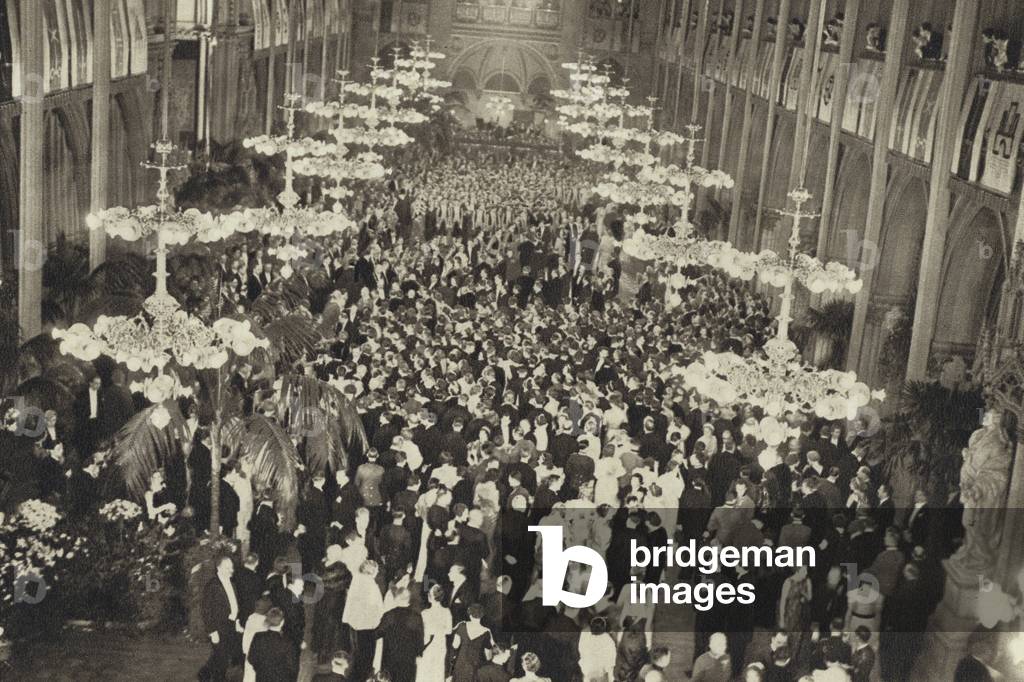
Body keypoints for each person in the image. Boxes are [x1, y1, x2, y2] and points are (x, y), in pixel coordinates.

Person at [199, 555, 241, 682]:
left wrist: (237, 621)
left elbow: (234, 603)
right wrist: (212, 632)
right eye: (227, 567)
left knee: (221, 654)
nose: (231, 570)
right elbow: (206, 611)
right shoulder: (212, 586)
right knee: (222, 659)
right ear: (218, 568)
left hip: (231, 624)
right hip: (218, 627)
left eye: (231, 567)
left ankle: (204, 674)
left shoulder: (232, 583)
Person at [343, 559, 385, 680]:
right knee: (366, 657)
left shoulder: (357, 579)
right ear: (372, 571)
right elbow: (378, 608)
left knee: (356, 653)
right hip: (367, 626)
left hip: (354, 623)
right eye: (376, 570)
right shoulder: (372, 586)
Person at [374, 585, 424, 682]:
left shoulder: (389, 615)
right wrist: (419, 653)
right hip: (408, 660)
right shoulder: (416, 617)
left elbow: (377, 633)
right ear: (409, 600)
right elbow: (420, 638)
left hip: (390, 658)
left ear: (396, 598)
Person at [247, 607, 299, 682]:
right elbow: (293, 667)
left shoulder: (258, 637)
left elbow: (251, 658)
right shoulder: (288, 642)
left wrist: (260, 669)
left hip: (262, 677)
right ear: (282, 622)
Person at [417, 584, 453, 682]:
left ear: (431, 597)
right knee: (438, 671)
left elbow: (422, 632)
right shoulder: (447, 611)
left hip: (428, 644)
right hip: (440, 643)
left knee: (425, 672)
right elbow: (449, 630)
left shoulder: (425, 613)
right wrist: (439, 629)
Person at [450, 603, 494, 682]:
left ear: (470, 615)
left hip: (461, 663)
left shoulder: (462, 626)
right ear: (482, 616)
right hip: (475, 667)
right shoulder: (486, 632)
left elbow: (455, 645)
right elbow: (488, 656)